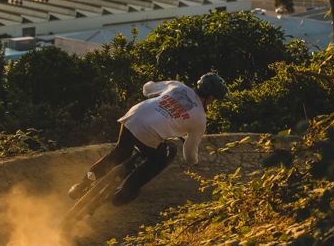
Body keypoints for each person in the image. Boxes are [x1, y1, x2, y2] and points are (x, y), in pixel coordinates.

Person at [68, 72, 228, 206]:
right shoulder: (200, 118)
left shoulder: (177, 86)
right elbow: (189, 151)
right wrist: (193, 162)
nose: (213, 103)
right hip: (150, 134)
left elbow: (147, 89)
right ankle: (126, 191)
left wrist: (158, 92)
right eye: (214, 99)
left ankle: (82, 185)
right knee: (161, 157)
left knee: (120, 152)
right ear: (210, 97)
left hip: (133, 117)